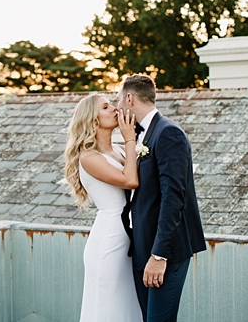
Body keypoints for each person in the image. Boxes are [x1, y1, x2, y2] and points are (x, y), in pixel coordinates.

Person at [116, 75, 206, 322]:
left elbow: (173, 198)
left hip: (166, 251)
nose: (117, 107)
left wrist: (159, 256)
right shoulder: (141, 135)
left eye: (118, 99)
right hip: (143, 246)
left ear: (130, 98)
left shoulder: (168, 133)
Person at [64, 93, 143, 322]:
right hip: (108, 240)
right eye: (106, 107)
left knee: (127, 306)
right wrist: (131, 140)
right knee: (107, 308)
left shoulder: (118, 150)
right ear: (92, 119)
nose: (115, 109)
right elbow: (131, 181)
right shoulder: (89, 157)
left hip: (127, 237)